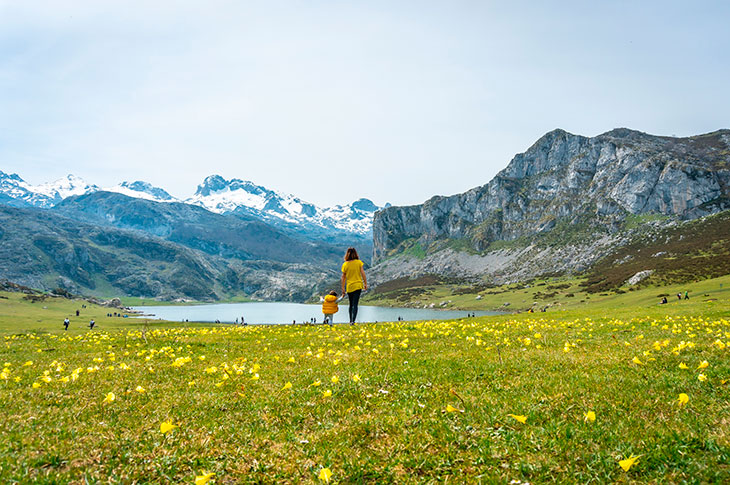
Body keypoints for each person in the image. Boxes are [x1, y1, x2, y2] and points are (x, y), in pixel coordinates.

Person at [341, 247, 367, 324]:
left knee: (351, 304)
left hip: (350, 286)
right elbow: (363, 273)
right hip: (358, 285)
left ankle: (350, 320)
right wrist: (365, 283)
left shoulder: (345, 264)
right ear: (355, 253)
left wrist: (343, 288)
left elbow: (343, 277)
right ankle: (353, 321)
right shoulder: (359, 262)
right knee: (355, 304)